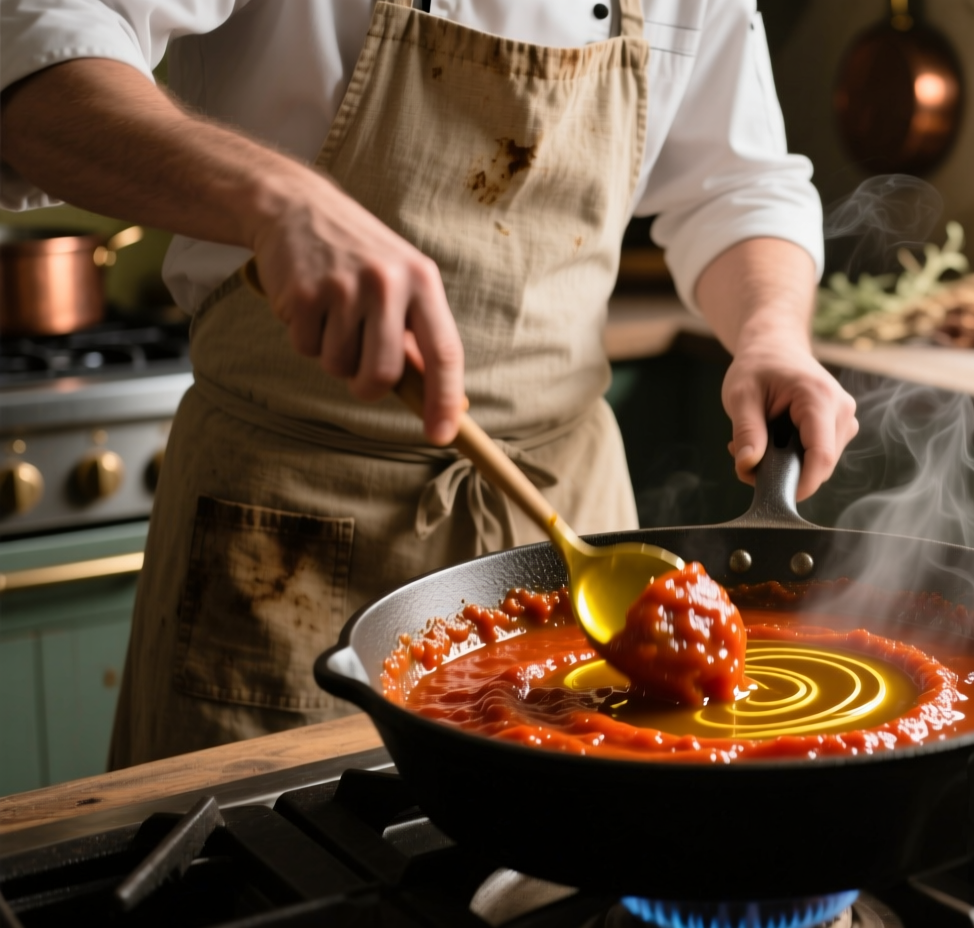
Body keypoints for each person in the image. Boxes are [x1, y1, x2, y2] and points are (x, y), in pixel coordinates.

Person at [0, 0, 858, 766]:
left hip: (564, 509)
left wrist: (770, 333)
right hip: (286, 535)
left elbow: (737, 184)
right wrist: (276, 198)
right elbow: (34, 53)